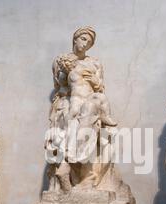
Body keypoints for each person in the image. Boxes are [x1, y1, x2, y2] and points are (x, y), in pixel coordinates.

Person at [46, 27, 119, 193]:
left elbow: (100, 87)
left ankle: (79, 171)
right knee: (72, 120)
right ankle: (73, 172)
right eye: (84, 39)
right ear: (76, 39)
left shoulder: (94, 63)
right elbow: (59, 87)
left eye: (90, 42)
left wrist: (94, 80)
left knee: (92, 111)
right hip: (71, 102)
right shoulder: (61, 60)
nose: (86, 44)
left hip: (91, 101)